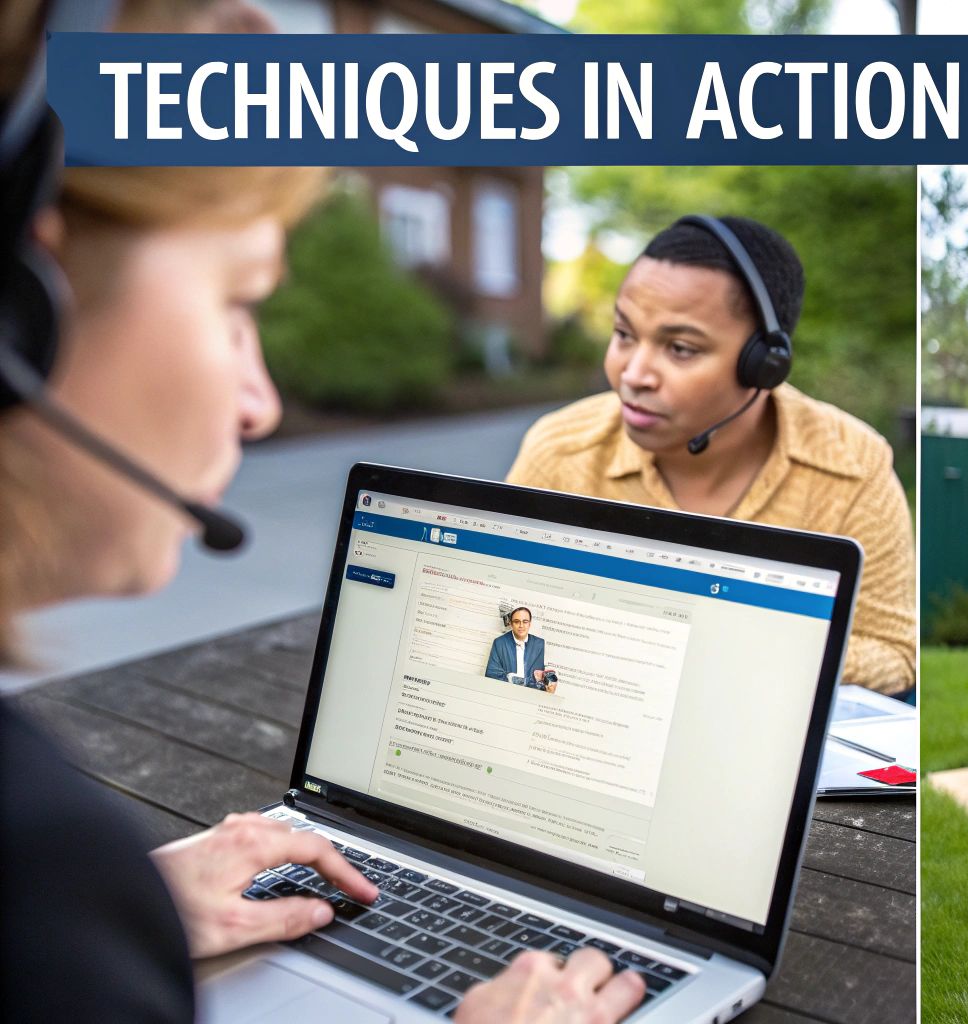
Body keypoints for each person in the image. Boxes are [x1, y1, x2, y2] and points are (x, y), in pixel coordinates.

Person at [0, 2, 639, 1020]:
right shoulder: (36, 872)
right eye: (237, 301)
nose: (260, 402)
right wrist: (70, 926)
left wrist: (127, 918)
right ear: (19, 306)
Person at [505, 216, 916, 696]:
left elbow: (895, 653)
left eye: (679, 348)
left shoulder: (853, 466)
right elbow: (503, 609)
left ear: (764, 365)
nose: (633, 374)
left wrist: (725, 649)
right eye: (623, 334)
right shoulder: (560, 451)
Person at [486, 606, 554, 691]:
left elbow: (539, 677)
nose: (521, 626)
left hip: (529, 695)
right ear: (511, 624)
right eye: (516, 622)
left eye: (525, 622)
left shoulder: (539, 644)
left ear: (530, 623)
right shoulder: (499, 642)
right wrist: (516, 680)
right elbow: (491, 674)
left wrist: (548, 684)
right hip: (505, 692)